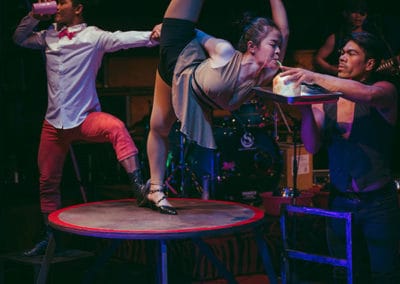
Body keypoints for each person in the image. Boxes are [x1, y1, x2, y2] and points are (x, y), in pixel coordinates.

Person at [13, 0, 161, 256]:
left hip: (83, 119)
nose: (57, 7)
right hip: (54, 123)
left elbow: (122, 39)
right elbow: (19, 38)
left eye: (62, 2)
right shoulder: (48, 36)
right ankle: (50, 238)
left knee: (116, 128)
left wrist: (152, 35)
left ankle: (138, 188)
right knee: (47, 181)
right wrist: (34, 15)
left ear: (78, 8)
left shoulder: (93, 37)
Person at [140, 0, 289, 215]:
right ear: (252, 47)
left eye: (278, 46)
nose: (277, 51)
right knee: (158, 128)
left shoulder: (263, 75)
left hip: (178, 77)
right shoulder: (225, 52)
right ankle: (154, 188)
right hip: (178, 48)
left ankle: (155, 190)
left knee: (160, 128)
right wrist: (166, 29)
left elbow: (283, 30)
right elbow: (195, 34)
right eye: (272, 44)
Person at [279, 32, 400, 283]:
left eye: (351, 53)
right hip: (340, 201)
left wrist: (314, 76)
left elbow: (367, 95)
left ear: (370, 64)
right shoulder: (326, 99)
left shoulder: (385, 90)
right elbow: (312, 146)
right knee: (343, 273)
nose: (342, 58)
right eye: (342, 53)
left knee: (384, 274)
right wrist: (306, 110)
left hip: (377, 204)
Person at [314, 0, 370, 75]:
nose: (359, 16)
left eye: (362, 13)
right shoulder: (335, 38)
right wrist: (333, 70)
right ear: (345, 13)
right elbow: (318, 59)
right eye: (354, 12)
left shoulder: (370, 39)